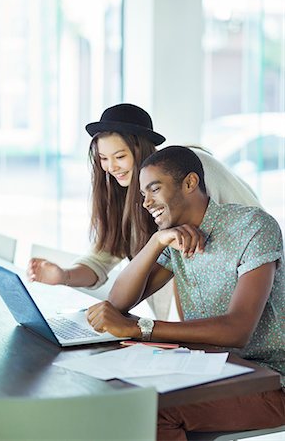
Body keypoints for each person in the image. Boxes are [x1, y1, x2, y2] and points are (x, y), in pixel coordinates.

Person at [86, 146, 285, 440]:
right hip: (210, 371)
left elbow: (238, 330)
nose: (146, 203)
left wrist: (140, 329)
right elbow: (117, 303)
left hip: (268, 380)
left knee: (148, 412)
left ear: (190, 183)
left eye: (154, 189)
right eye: (143, 195)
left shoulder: (252, 226)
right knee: (117, 395)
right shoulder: (178, 237)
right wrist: (155, 242)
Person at [27, 103, 262, 319]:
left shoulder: (191, 165)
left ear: (141, 150)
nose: (111, 167)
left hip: (234, 304)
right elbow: (101, 260)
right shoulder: (122, 196)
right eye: (103, 159)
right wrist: (63, 276)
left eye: (120, 157)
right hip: (177, 324)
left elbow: (254, 219)